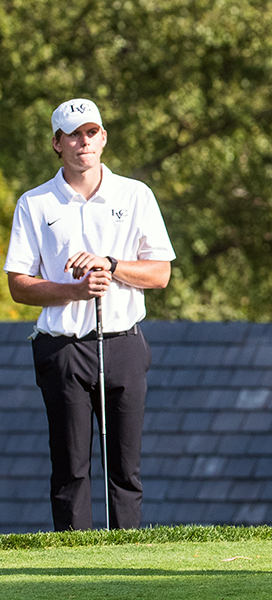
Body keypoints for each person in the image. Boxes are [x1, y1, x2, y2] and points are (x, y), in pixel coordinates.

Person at [4, 98, 176, 531]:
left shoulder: (135, 194)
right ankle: (72, 567)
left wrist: (112, 265)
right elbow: (18, 284)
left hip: (123, 344)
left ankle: (126, 563)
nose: (84, 142)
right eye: (74, 135)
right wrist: (75, 291)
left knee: (125, 469)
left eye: (92, 133)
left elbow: (159, 274)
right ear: (57, 144)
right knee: (70, 469)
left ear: (103, 139)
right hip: (62, 349)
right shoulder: (35, 203)